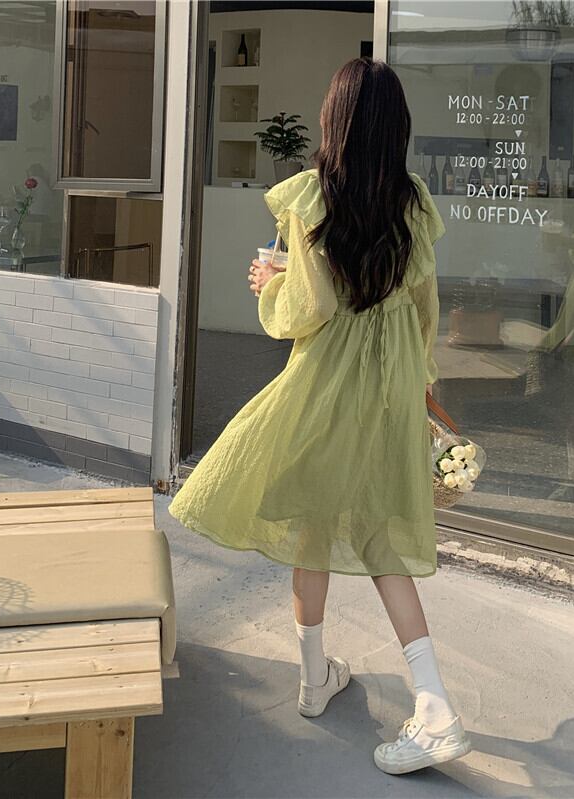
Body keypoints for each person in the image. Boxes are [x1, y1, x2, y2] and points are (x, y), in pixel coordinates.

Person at [169, 57, 470, 775]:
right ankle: (384, 691)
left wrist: (268, 284)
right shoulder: (413, 204)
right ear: (396, 127)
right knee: (381, 540)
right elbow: (422, 310)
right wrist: (422, 384)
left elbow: (311, 309)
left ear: (334, 119)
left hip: (326, 383)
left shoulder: (314, 197)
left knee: (310, 517)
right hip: (389, 387)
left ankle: (351, 688)